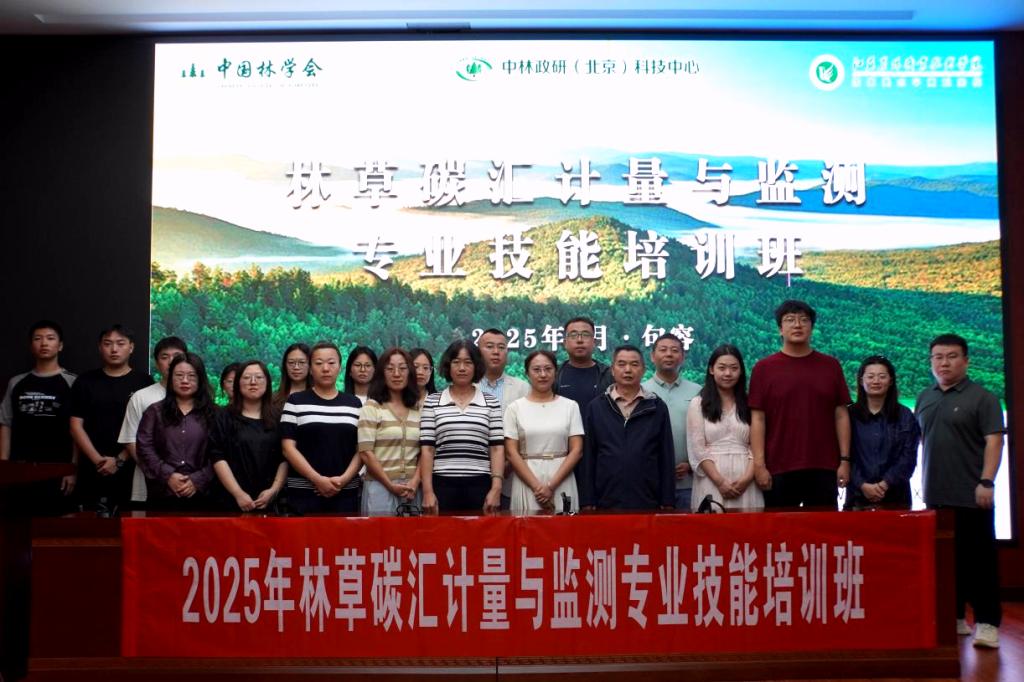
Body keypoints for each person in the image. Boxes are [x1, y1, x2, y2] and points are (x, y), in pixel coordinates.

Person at [915, 334, 1005, 648]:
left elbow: (995, 441)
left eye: (952, 356)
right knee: (945, 561)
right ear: (931, 362)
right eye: (938, 357)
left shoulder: (983, 398)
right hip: (935, 496)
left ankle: (988, 623)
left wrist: (987, 481)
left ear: (965, 361)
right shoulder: (925, 397)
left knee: (980, 563)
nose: (944, 363)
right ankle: (954, 617)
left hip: (973, 494)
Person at [749, 300, 851, 509]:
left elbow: (841, 415)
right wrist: (759, 465)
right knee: (780, 528)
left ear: (812, 328)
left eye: (804, 320)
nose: (797, 325)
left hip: (824, 465)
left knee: (824, 528)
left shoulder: (830, 366)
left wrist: (845, 460)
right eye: (790, 320)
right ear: (780, 329)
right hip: (778, 466)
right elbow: (758, 419)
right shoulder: (764, 368)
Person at [579, 345, 674, 511]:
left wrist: (668, 500)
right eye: (621, 364)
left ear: (643, 370)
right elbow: (588, 455)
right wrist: (587, 499)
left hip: (647, 497)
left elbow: (666, 455)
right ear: (612, 370)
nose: (628, 370)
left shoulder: (656, 406)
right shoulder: (596, 407)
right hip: (605, 497)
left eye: (634, 364)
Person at [70, 324, 154, 512]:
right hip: (90, 466)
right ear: (100, 347)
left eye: (120, 343)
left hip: (131, 466)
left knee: (128, 521)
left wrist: (119, 460)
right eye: (108, 344)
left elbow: (146, 429)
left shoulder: (144, 382)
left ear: (131, 347)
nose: (114, 349)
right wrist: (98, 461)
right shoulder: (85, 381)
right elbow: (75, 426)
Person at [0, 320, 77, 515]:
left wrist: (72, 468)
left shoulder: (73, 382)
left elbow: (77, 430)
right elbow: (6, 424)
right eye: (38, 338)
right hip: (20, 469)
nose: (44, 343)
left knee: (57, 527)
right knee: (18, 524)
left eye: (50, 338)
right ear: (31, 345)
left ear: (60, 345)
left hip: (58, 469)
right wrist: (4, 467)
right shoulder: (16, 382)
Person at [419, 339, 504, 514]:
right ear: (448, 366)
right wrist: (427, 491)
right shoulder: (432, 401)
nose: (462, 368)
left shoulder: (491, 402)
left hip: (480, 484)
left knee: (481, 531)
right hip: (442, 484)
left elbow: (496, 449)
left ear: (476, 366)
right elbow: (427, 449)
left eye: (468, 362)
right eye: (456, 362)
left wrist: (496, 488)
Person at [280, 341, 363, 514]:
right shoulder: (295, 401)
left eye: (331, 363)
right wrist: (317, 479)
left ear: (340, 367)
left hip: (345, 493)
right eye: (318, 363)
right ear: (310, 369)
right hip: (304, 493)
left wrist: (343, 480)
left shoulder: (354, 404)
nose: (325, 368)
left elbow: (361, 449)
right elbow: (288, 448)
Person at [504, 350, 584, 513]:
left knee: (564, 528)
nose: (543, 374)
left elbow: (577, 450)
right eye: (536, 369)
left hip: (562, 479)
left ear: (555, 372)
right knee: (526, 527)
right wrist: (537, 487)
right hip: (527, 479)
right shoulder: (514, 408)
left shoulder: (570, 406)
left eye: (548, 369)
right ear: (527, 373)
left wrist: (551, 486)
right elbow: (511, 453)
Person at [136, 352, 216, 511]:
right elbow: (144, 447)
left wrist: (197, 480)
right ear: (170, 378)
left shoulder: (215, 414)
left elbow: (221, 452)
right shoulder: (155, 411)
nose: (185, 380)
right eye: (179, 375)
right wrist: (169, 476)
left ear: (200, 379)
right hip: (162, 494)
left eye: (191, 376)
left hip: (204, 495)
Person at [687, 344, 762, 511]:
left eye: (734, 368)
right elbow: (698, 449)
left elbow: (757, 446)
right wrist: (720, 482)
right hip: (711, 479)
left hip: (746, 479)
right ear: (711, 370)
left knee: (748, 526)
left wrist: (746, 480)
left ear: (741, 371)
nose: (728, 373)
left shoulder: (750, 403)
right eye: (722, 368)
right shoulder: (698, 403)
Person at [118, 336, 188, 509]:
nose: (171, 362)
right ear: (157, 363)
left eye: (177, 356)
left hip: (190, 485)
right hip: (148, 484)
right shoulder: (141, 397)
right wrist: (163, 475)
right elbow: (130, 440)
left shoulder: (198, 399)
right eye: (165, 357)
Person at [209, 360, 287, 512]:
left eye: (259, 377)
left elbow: (284, 456)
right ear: (238, 383)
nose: (253, 382)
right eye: (246, 377)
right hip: (231, 500)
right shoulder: (224, 416)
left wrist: (274, 490)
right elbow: (217, 456)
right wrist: (238, 493)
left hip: (270, 500)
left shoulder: (278, 416)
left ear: (267, 383)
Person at [847, 355, 920, 510]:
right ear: (861, 380)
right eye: (870, 376)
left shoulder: (905, 416)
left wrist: (885, 484)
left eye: (882, 376)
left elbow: (909, 457)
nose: (876, 381)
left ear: (891, 381)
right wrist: (862, 484)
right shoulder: (848, 416)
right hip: (857, 497)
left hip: (896, 497)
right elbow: (843, 456)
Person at [357, 348, 422, 514]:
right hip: (379, 487)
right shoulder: (372, 407)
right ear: (381, 374)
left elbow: (426, 451)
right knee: (379, 531)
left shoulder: (419, 409)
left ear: (410, 373)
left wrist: (415, 481)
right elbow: (366, 452)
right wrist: (389, 485)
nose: (396, 374)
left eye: (402, 368)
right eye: (390, 369)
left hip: (412, 489)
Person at [642, 333, 702, 510]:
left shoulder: (697, 391)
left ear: (682, 357)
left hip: (689, 482)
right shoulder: (641, 391)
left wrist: (691, 464)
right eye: (663, 350)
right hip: (652, 483)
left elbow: (707, 433)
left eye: (675, 350)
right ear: (652, 356)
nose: (669, 354)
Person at [477, 328, 529, 509]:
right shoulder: (468, 387)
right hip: (474, 473)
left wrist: (508, 465)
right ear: (478, 352)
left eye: (501, 347)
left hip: (511, 475)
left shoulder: (523, 388)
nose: (496, 352)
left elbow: (527, 432)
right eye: (489, 346)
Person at [556, 316, 612, 410]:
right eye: (573, 335)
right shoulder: (554, 375)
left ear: (594, 342)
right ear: (565, 343)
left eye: (585, 335)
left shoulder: (608, 375)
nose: (579, 340)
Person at [272, 343, 312, 411]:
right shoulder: (273, 399)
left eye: (302, 362)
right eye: (291, 362)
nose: (296, 367)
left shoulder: (319, 396)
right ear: (285, 366)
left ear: (310, 365)